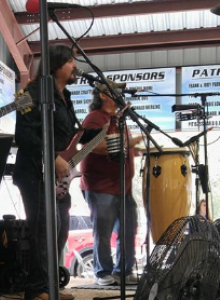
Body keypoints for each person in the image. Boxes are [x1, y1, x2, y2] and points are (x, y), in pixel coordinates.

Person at [13, 44, 101, 300]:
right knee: (44, 227)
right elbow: (23, 134)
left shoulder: (66, 96)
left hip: (52, 175)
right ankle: (37, 289)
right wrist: (51, 157)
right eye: (71, 61)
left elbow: (74, 133)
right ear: (56, 65)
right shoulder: (30, 92)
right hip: (33, 171)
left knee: (59, 227)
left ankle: (48, 285)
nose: (75, 66)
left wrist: (103, 133)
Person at [79, 80, 144, 286]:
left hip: (122, 187)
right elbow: (91, 146)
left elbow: (120, 149)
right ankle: (103, 273)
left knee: (128, 229)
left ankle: (123, 272)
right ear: (103, 96)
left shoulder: (119, 119)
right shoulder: (95, 118)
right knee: (104, 232)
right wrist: (129, 144)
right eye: (114, 91)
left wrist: (135, 151)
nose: (119, 94)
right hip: (101, 186)